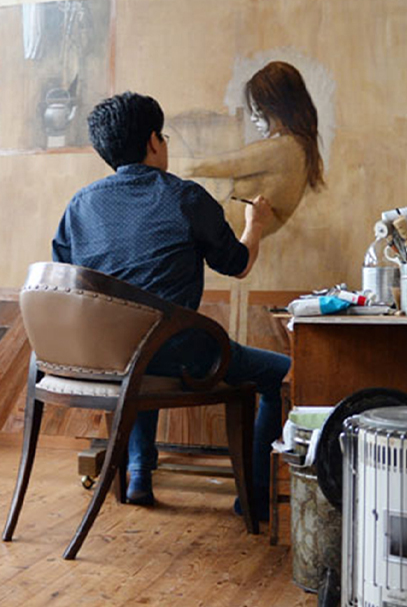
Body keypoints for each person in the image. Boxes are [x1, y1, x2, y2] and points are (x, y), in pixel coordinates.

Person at [52, 91, 291, 519]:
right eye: (162, 136)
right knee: (278, 374)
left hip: (108, 357)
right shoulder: (185, 197)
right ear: (153, 141)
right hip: (179, 354)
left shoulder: (80, 205)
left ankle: (140, 473)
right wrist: (254, 225)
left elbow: (66, 280)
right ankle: (253, 495)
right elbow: (237, 265)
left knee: (139, 344)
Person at [174, 60, 324, 238]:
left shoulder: (285, 150)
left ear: (280, 107)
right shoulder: (303, 151)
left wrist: (168, 166)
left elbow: (219, 165)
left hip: (223, 236)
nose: (253, 118)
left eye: (259, 111)